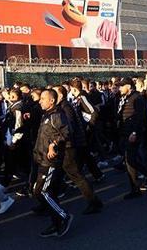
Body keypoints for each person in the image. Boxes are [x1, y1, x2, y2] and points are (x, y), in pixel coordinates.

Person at [53, 85, 103, 215]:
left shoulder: (66, 107)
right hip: (70, 145)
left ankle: (93, 201)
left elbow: (68, 126)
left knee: (77, 175)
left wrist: (89, 127)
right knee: (71, 173)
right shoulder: (62, 106)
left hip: (70, 146)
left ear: (61, 95)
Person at [33, 89, 73, 237]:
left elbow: (67, 133)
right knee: (48, 192)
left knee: (41, 192)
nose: (40, 101)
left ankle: (63, 216)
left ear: (52, 101)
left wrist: (54, 144)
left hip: (50, 161)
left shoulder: (57, 115)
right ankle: (56, 222)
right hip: (42, 158)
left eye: (43, 98)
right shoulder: (47, 115)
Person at [116, 78, 147, 199]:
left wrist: (134, 132)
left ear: (128, 86)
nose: (119, 88)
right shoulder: (125, 98)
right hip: (124, 133)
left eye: (121, 86)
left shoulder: (137, 98)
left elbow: (140, 117)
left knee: (132, 160)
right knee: (130, 161)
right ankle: (136, 187)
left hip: (133, 134)